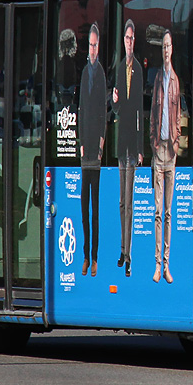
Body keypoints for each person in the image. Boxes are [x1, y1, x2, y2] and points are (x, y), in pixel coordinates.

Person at [149, 29, 181, 284]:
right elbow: (152, 115)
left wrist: (176, 145)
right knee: (158, 212)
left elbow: (178, 116)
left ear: (173, 49)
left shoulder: (176, 80)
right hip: (158, 152)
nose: (166, 50)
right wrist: (153, 143)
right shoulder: (158, 78)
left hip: (171, 153)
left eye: (169, 46)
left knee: (169, 212)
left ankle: (167, 264)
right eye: (163, 47)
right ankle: (157, 265)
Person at [112, 19, 143, 277]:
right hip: (121, 143)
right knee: (122, 202)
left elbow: (139, 113)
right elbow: (119, 109)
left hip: (133, 144)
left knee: (130, 202)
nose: (129, 42)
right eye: (127, 38)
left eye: (132, 39)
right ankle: (122, 250)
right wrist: (114, 102)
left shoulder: (139, 71)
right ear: (123, 41)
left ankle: (129, 254)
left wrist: (141, 147)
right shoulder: (120, 68)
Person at [78, 23, 107, 277]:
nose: (93, 49)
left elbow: (102, 113)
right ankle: (85, 255)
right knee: (82, 206)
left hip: (95, 156)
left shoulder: (101, 75)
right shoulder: (85, 72)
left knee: (95, 208)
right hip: (84, 150)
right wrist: (81, 143)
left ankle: (95, 258)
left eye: (96, 45)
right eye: (90, 44)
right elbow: (81, 110)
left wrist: (99, 146)